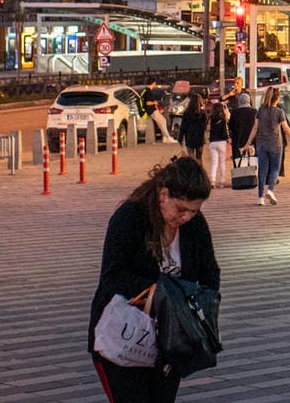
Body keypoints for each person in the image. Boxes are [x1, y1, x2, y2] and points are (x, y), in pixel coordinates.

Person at [88, 155, 219, 402]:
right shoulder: (130, 217)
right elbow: (112, 276)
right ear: (163, 195)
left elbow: (210, 272)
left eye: (194, 210)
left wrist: (202, 309)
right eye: (182, 209)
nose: (186, 218)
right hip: (123, 335)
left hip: (170, 341)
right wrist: (159, 292)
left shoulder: (194, 225)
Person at [251, 87, 290, 205]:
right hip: (276, 144)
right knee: (275, 169)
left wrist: (248, 143)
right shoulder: (280, 112)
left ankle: (260, 198)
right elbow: (286, 129)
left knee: (262, 170)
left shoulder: (260, 110)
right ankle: (270, 190)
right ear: (278, 98)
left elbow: (255, 128)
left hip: (261, 143)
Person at [205, 99, 231, 188]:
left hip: (213, 142)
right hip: (222, 142)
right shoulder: (223, 119)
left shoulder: (211, 119)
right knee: (222, 162)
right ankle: (222, 181)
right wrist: (228, 139)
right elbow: (225, 131)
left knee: (214, 162)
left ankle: (212, 180)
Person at [228, 92, 258, 171]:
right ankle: (252, 177)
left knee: (238, 159)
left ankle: (240, 178)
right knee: (252, 159)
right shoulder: (254, 111)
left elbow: (230, 126)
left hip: (238, 139)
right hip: (252, 140)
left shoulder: (235, 112)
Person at [178, 92, 207, 162]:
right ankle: (199, 171)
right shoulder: (203, 113)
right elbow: (204, 126)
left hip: (190, 137)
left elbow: (183, 127)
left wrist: (180, 138)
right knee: (199, 158)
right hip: (200, 138)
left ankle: (192, 171)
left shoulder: (186, 113)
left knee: (191, 159)